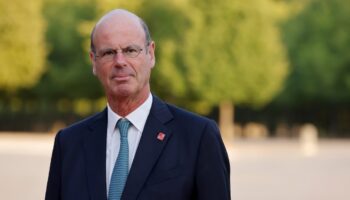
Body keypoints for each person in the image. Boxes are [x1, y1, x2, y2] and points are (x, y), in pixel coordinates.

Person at [45, 9, 230, 200]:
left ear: (151, 54)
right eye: (108, 53)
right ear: (93, 61)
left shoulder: (198, 137)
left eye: (131, 50)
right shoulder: (69, 143)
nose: (120, 61)